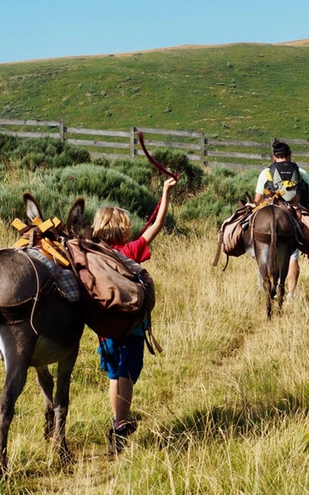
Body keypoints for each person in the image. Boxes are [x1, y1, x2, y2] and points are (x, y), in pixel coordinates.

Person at [90, 176, 178, 454]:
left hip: (104, 328)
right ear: (122, 230)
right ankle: (120, 424)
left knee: (114, 375)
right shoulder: (129, 251)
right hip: (132, 327)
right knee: (127, 374)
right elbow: (156, 226)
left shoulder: (93, 255)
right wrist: (165, 192)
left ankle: (116, 418)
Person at [253, 139, 309, 298]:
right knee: (292, 257)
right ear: (290, 156)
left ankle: (266, 288)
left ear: (274, 157)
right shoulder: (302, 173)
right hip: (293, 213)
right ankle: (291, 294)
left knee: (263, 253)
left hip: (270, 209)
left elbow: (258, 200)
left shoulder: (265, 173)